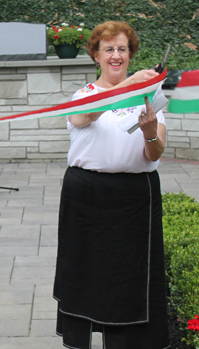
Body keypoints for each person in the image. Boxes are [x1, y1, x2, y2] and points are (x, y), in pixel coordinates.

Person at [53, 21, 170, 349]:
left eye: (123, 49)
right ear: (96, 56)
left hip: (134, 200)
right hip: (87, 198)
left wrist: (149, 132)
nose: (116, 55)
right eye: (109, 49)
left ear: (130, 55)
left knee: (129, 280)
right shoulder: (84, 96)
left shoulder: (150, 96)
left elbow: (155, 151)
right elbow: (83, 117)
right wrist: (130, 86)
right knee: (85, 277)